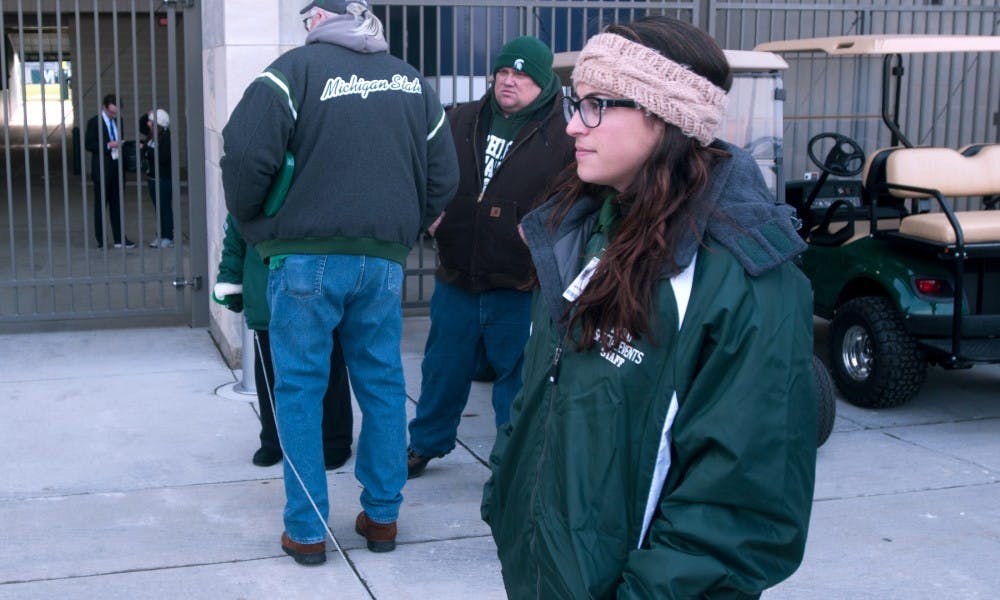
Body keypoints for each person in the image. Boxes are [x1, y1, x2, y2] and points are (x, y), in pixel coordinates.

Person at [481, 17, 817, 598]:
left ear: (666, 117)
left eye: (595, 106)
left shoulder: (739, 274)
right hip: (546, 569)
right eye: (574, 103)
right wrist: (505, 497)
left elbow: (739, 508)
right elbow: (545, 387)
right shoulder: (587, 228)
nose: (572, 127)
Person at [221, 0, 459, 566]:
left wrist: (261, 229)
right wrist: (397, 233)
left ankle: (306, 531)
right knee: (381, 387)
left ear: (318, 21)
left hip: (303, 260)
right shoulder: (411, 82)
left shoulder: (289, 74)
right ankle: (381, 516)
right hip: (380, 263)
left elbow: (244, 159)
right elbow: (443, 177)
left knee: (299, 390)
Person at [406, 36, 574, 478]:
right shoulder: (461, 119)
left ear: (543, 82)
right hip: (457, 272)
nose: (509, 81)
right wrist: (428, 212)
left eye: (521, 75)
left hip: (520, 281)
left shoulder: (565, 134)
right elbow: (423, 169)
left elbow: (579, 197)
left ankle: (511, 461)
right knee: (442, 369)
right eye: (503, 72)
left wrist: (545, 228)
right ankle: (426, 442)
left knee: (516, 381)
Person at [212, 214, 354, 469]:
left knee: (331, 369)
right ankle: (274, 440)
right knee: (270, 374)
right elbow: (235, 239)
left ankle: (334, 439)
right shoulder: (250, 189)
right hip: (266, 291)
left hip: (319, 288)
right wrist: (230, 280)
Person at [85, 93, 135, 248]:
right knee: (101, 205)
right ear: (104, 108)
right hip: (102, 168)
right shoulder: (94, 122)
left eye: (116, 112)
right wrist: (107, 145)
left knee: (117, 204)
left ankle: (120, 238)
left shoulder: (118, 121)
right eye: (111, 112)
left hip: (116, 166)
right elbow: (89, 144)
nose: (114, 115)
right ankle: (101, 240)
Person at [142, 108, 175, 249]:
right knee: (158, 209)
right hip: (152, 178)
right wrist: (150, 113)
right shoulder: (152, 136)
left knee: (165, 208)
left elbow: (162, 157)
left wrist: (147, 150)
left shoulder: (167, 138)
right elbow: (140, 123)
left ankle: (168, 236)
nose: (148, 123)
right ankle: (160, 235)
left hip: (163, 179)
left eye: (151, 122)